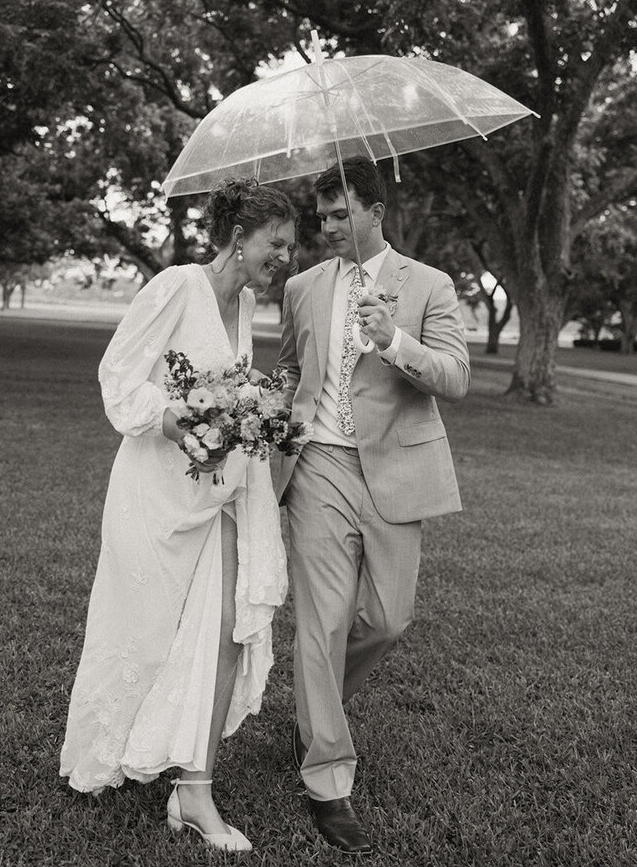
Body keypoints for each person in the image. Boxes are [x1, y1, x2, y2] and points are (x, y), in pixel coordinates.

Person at [60, 178, 297, 854]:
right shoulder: (174, 287)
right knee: (140, 633)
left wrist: (261, 414)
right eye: (276, 243)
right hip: (152, 494)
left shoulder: (247, 300)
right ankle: (105, 754)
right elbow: (118, 377)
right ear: (238, 236)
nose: (283, 256)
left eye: (289, 245)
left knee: (223, 632)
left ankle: (194, 790)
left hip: (217, 496)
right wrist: (168, 417)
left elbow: (230, 386)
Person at [276, 156, 470, 853]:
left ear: (375, 211)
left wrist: (392, 340)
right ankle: (328, 777)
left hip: (395, 471)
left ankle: (316, 704)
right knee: (321, 623)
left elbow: (455, 377)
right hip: (319, 466)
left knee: (387, 619)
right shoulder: (301, 287)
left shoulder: (430, 284)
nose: (326, 227)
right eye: (320, 216)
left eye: (339, 214)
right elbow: (292, 370)